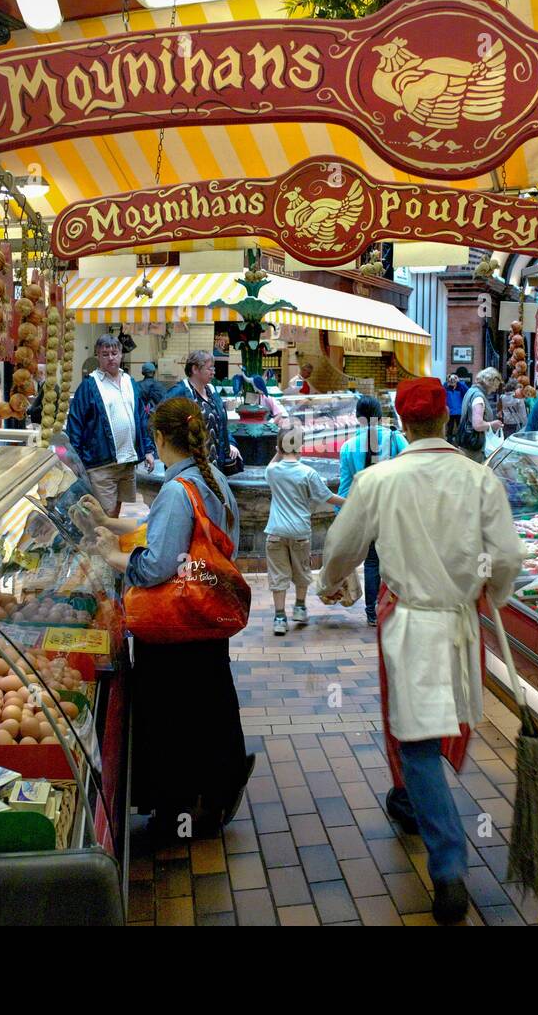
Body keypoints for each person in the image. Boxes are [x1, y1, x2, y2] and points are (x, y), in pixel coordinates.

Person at [316, 378, 524, 924]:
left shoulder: (379, 479)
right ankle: (420, 814)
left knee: (417, 743)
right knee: (438, 730)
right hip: (461, 626)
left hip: (409, 626)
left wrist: (328, 582)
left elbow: (341, 546)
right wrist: (489, 593)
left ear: (402, 424)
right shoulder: (480, 480)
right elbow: (506, 558)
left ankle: (450, 867)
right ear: (449, 422)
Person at [88, 397, 252, 840]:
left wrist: (112, 555)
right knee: (211, 704)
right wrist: (116, 526)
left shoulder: (179, 490)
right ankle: (218, 791)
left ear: (160, 438)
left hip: (173, 626)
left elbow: (159, 563)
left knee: (173, 718)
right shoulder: (214, 478)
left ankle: (176, 813)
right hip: (205, 616)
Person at [265, 418, 344, 635]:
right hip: (300, 532)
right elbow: (327, 497)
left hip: (275, 532)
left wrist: (278, 451)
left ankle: (280, 619)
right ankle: (299, 608)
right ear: (300, 446)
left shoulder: (272, 472)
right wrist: (349, 502)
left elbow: (272, 464)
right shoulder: (308, 473)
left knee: (278, 576)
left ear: (280, 448)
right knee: (302, 572)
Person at [65, 334, 155, 516]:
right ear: (97, 356)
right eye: (105, 354)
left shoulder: (130, 382)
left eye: (114, 353)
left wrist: (147, 450)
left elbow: (141, 418)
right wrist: (75, 460)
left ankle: (111, 542)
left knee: (117, 511)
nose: (110, 357)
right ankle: (101, 542)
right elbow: (75, 425)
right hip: (100, 463)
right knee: (103, 514)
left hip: (127, 460)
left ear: (121, 354)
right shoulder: (89, 386)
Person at [338, 394, 409, 626]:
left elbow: (345, 487)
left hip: (366, 514)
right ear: (380, 417)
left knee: (371, 563)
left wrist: (342, 521)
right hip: (393, 510)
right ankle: (394, 608)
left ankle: (371, 613)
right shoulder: (394, 438)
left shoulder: (348, 447)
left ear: (357, 418)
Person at [163, 350, 242, 472]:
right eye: (209, 368)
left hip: (215, 465)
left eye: (213, 368)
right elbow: (157, 419)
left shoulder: (212, 391)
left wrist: (229, 443)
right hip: (189, 467)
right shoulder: (179, 392)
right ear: (195, 369)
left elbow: (221, 423)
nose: (213, 372)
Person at [455, 366, 504, 462]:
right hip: (474, 447)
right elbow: (477, 425)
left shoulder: (471, 391)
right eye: (496, 385)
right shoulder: (479, 397)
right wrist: (492, 424)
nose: (496, 388)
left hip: (466, 443)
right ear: (490, 382)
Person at [135, 362, 165, 430]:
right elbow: (165, 403)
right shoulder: (160, 386)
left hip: (140, 423)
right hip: (155, 422)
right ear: (154, 372)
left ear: (142, 373)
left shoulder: (136, 386)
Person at [444, 374, 466, 444]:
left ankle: (460, 441)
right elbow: (442, 391)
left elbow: (467, 391)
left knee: (460, 427)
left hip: (459, 412)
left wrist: (459, 382)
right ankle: (449, 441)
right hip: (450, 412)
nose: (452, 380)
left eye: (454, 378)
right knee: (449, 428)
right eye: (451, 378)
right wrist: (447, 382)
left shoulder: (460, 387)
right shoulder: (446, 387)